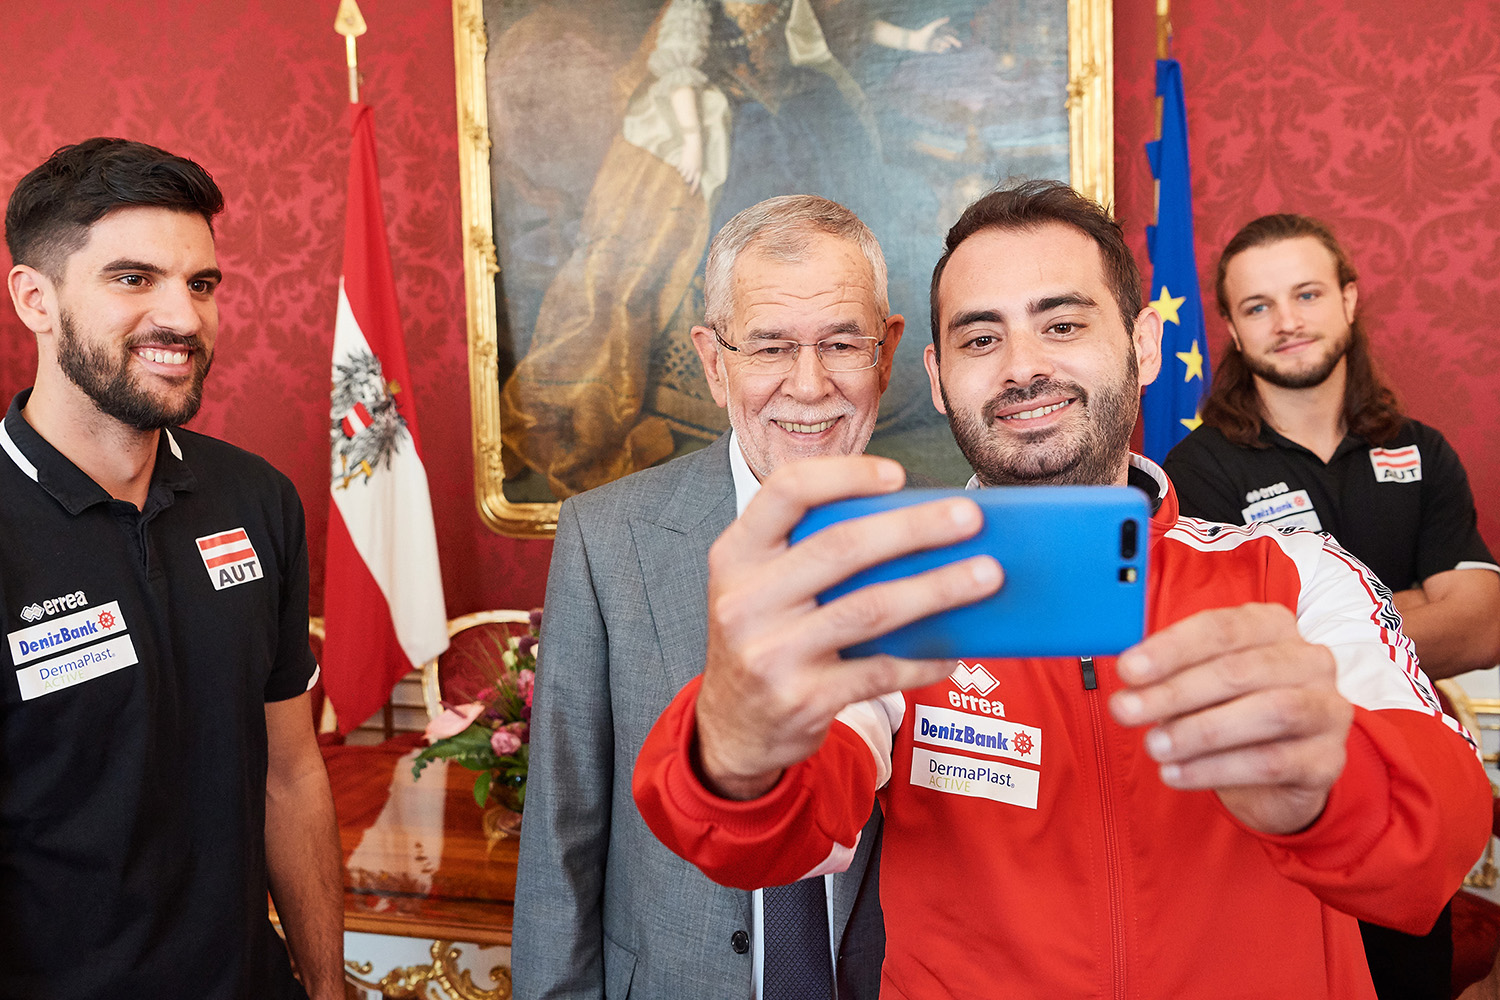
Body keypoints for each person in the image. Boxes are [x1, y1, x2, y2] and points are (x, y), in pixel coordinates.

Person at [631, 180, 1492, 998]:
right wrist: (733, 749)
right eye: (980, 339)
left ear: (1144, 345)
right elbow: (774, 837)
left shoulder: (1297, 575)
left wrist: (1327, 783)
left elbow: (1438, 846)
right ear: (936, 377)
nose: (1023, 366)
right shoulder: (893, 593)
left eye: (1063, 324)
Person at [513, 194, 902, 998]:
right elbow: (561, 839)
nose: (808, 385)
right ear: (715, 363)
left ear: (886, 352)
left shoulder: (947, 544)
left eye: (841, 343)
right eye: (769, 346)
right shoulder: (605, 539)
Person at [0, 138, 342, 1000]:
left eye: (201, 284)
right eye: (133, 279)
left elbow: (291, 775)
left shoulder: (257, 498)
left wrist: (327, 989)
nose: (183, 319)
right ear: (35, 298)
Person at [1162, 212, 1500, 1000]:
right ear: (1233, 330)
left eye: (1307, 294)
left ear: (1348, 300)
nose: (1287, 321)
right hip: (1278, 820)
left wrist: (1313, 625)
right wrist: (1409, 605)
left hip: (1405, 793)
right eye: (1258, 306)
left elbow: (1483, 623)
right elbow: (1231, 655)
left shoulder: (1422, 451)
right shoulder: (1197, 468)